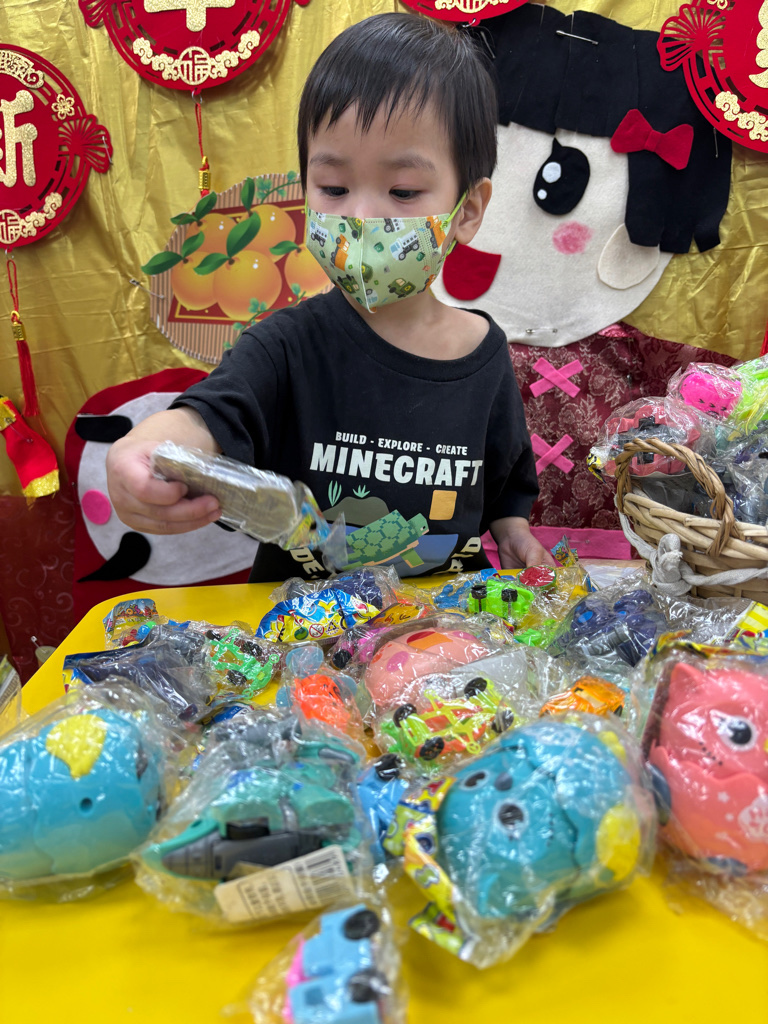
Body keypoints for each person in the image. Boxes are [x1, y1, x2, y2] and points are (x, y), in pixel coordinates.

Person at [107, 12, 554, 582]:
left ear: (466, 210)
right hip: (303, 628)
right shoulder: (284, 346)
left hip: (443, 626)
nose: (361, 216)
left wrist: (512, 530)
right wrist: (146, 448)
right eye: (334, 188)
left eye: (403, 191)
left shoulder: (485, 353)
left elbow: (505, 479)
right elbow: (209, 417)